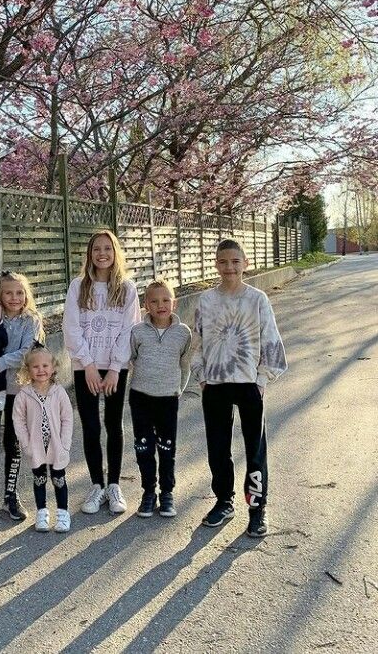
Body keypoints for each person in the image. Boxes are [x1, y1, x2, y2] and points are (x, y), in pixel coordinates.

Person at [192, 238, 287, 538]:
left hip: (249, 385)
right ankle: (224, 501)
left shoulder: (257, 299)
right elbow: (197, 341)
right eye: (223, 262)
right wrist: (202, 376)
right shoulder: (206, 301)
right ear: (216, 264)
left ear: (246, 264)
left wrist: (262, 379)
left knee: (255, 449)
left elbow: (270, 339)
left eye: (235, 261)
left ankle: (257, 508)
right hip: (216, 385)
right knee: (218, 447)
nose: (229, 267)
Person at [63, 230, 139, 515]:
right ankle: (96, 485)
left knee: (114, 423)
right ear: (90, 254)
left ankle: (114, 485)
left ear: (115, 252)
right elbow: (72, 328)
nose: (102, 253)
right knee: (91, 426)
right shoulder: (78, 286)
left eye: (108, 248)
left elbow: (128, 330)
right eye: (97, 249)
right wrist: (89, 365)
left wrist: (115, 368)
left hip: (115, 368)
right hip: (87, 367)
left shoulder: (127, 289)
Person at [0, 271, 44, 525]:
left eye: (19, 292)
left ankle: (11, 494)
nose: (14, 298)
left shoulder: (31, 320)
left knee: (13, 444)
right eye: (8, 293)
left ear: (26, 295)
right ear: (0, 295)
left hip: (20, 391)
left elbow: (27, 352)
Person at [129, 280, 192, 519]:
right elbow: (132, 358)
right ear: (146, 306)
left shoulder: (182, 333)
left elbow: (185, 365)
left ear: (174, 303)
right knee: (144, 447)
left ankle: (167, 493)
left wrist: (179, 390)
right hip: (141, 398)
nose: (161, 305)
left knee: (167, 449)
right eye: (154, 301)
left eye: (166, 300)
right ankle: (148, 492)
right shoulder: (138, 332)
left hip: (168, 399)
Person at [13, 345, 73, 533]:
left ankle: (63, 513)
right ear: (28, 370)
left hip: (57, 446)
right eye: (36, 367)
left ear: (53, 367)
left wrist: (65, 443)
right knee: (39, 478)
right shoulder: (24, 395)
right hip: (36, 447)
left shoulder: (59, 392)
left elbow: (67, 418)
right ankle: (42, 512)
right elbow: (18, 420)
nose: (41, 370)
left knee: (59, 479)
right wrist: (26, 444)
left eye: (45, 366)